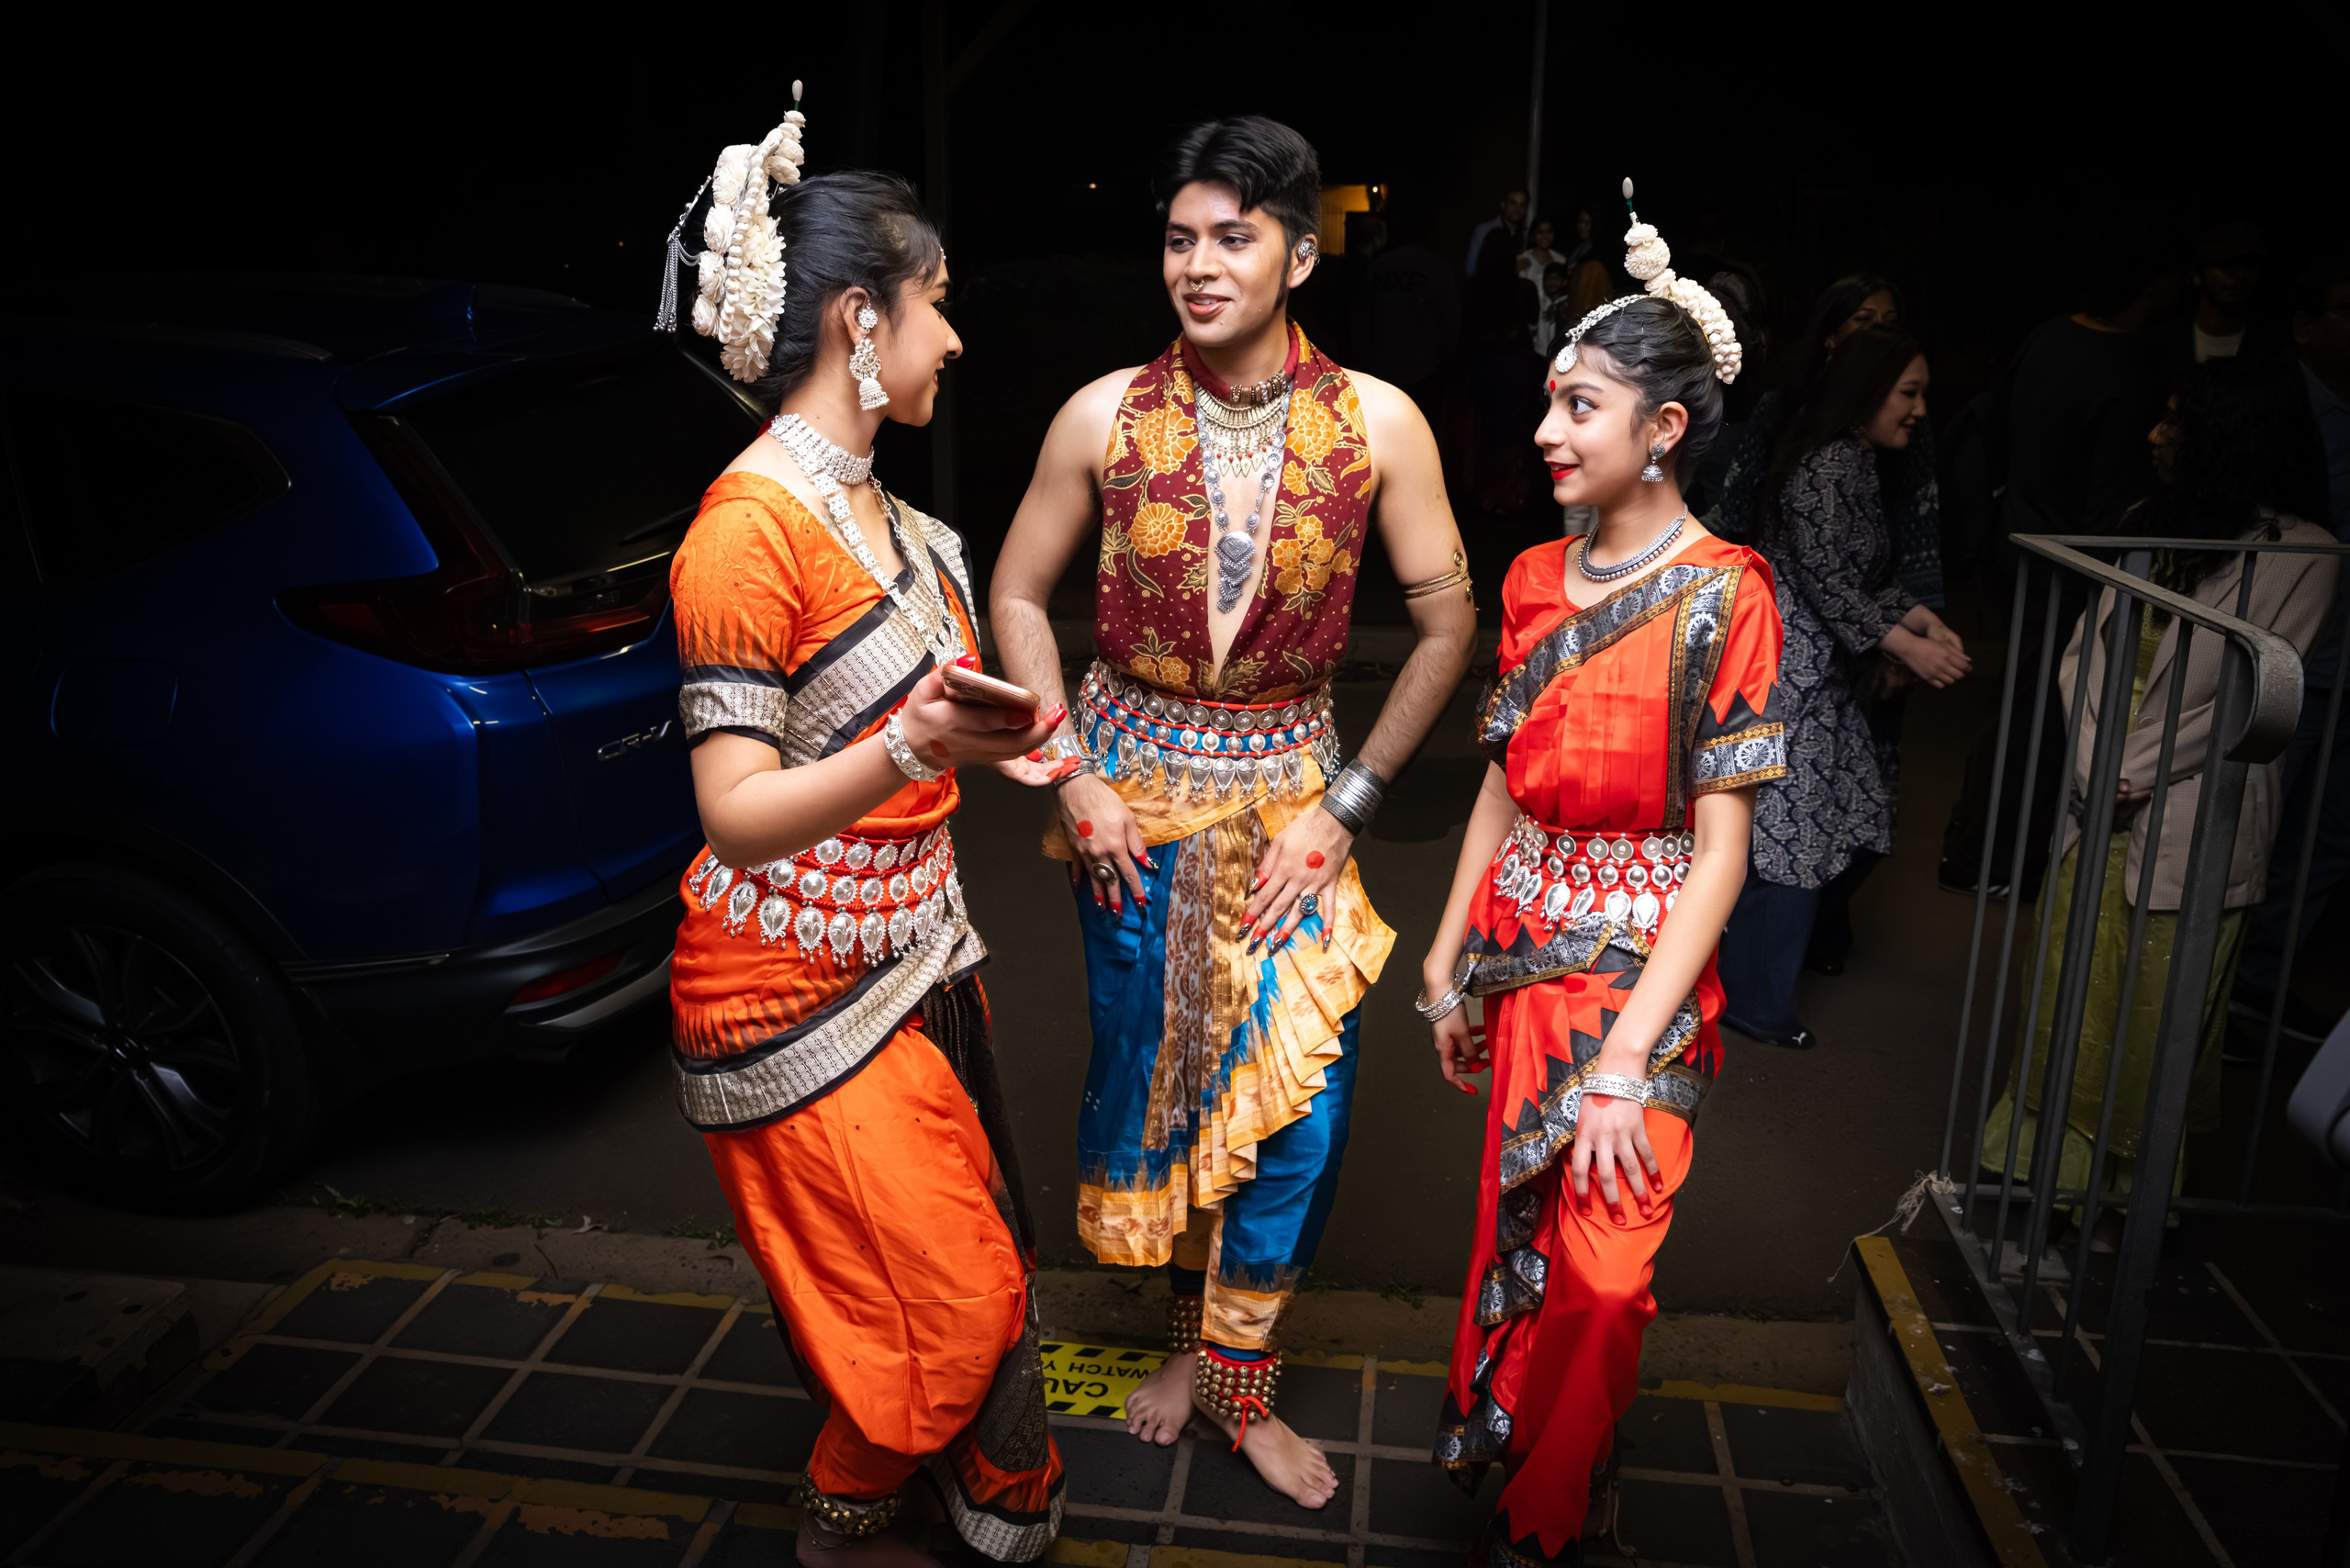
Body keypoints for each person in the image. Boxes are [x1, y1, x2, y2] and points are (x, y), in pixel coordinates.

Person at [989, 117, 1476, 1510]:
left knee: (1302, 1117)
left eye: (1235, 238)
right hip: (1130, 814)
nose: (1199, 267)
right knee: (1169, 1093)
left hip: (1293, 810)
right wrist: (1068, 773)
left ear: (1301, 255)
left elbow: (1451, 621)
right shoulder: (1100, 415)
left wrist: (1352, 805)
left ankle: (1237, 1389)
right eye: (1179, 239)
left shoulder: (1380, 422)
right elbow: (1017, 594)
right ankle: (1188, 1355)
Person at [659, 119, 1067, 1563]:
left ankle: (872, 1486)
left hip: (912, 958)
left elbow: (952, 717)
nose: (951, 338)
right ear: (859, 318)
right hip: (781, 986)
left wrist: (1060, 771)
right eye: (936, 301)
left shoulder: (900, 521)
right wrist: (908, 748)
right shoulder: (744, 536)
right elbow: (735, 812)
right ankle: (845, 1499)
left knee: (965, 1277)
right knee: (953, 1304)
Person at [1418, 195, 1785, 1567]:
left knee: (1607, 1280)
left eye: (1579, 407)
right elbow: (1506, 785)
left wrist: (1629, 1057)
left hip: (1646, 979)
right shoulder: (1525, 582)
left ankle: (1556, 1497)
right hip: (1525, 958)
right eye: (1549, 402)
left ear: (1664, 431)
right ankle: (1541, 1489)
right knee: (1524, 1241)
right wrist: (1447, 954)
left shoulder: (1728, 595)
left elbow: (1725, 848)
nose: (1545, 431)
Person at [1982, 358, 2338, 1231]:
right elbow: (2084, 654)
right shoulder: (2150, 522)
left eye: (2178, 422)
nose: (2155, 435)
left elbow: (2257, 696)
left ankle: (2124, 1204)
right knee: (2067, 996)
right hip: (2097, 798)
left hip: (2188, 810)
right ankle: (2032, 1176)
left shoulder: (2307, 555)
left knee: (2154, 1016)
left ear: (2230, 440)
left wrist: (2133, 768)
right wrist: (2096, 758)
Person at [1717, 325, 1971, 1047]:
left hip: (1821, 684)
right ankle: (1753, 1001)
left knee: (1861, 826)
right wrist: (1911, 651)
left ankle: (1734, 956)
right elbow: (1827, 583)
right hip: (1781, 680)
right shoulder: (1825, 467)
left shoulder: (1855, 462)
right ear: (1866, 393)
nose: (1920, 409)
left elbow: (1864, 575)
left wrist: (1922, 620)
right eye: (1909, 393)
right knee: (1792, 849)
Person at [1937, 235, 2183, 902]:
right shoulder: (2126, 368)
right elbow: (2111, 501)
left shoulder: (2047, 338)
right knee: (2055, 720)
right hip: (2075, 568)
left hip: (2018, 550)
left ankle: (1975, 853)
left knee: (2016, 710)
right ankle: (2006, 865)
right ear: (2152, 288)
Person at [2230, 257, 2350, 1045]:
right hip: (2288, 664)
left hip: (2344, 668)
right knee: (2250, 830)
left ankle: (2260, 987)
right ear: (2305, 326)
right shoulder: (2280, 411)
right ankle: (2227, 994)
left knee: (2327, 840)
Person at [1707, 275, 1939, 607]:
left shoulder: (1905, 419)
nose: (1879, 332)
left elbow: (1919, 519)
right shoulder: (1786, 412)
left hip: (1876, 599)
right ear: (1830, 336)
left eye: (1890, 322)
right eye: (1863, 319)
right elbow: (1736, 507)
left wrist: (1916, 614)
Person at [2166, 221, 2277, 368]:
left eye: (2250, 265)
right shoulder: (2163, 343)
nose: (2240, 275)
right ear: (2197, 274)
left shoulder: (2273, 345)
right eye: (2226, 264)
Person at [1467, 188, 1528, 278]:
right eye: (1513, 203)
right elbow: (1471, 269)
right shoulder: (1484, 230)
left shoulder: (1525, 234)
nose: (1517, 209)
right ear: (1503, 205)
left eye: (1522, 205)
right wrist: (1511, 267)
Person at [1516, 218, 1560, 284]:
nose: (1545, 236)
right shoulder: (1524, 259)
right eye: (1540, 232)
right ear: (1533, 235)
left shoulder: (1560, 260)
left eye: (1549, 232)